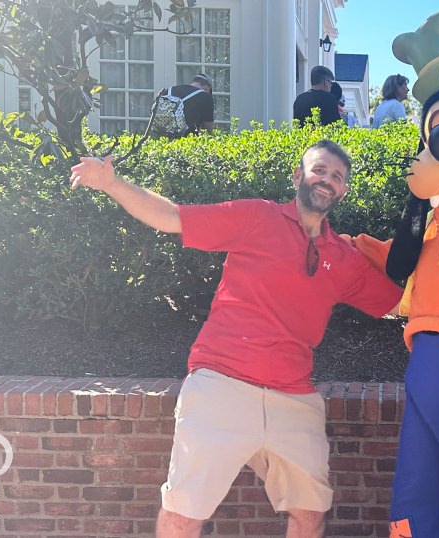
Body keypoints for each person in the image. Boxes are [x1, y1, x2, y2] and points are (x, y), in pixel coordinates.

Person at [68, 139, 403, 538]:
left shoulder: (343, 257)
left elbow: (402, 304)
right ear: (298, 176)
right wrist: (112, 183)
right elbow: (171, 216)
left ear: (343, 190)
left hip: (294, 397)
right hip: (221, 385)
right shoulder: (256, 217)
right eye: (319, 170)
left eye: (336, 176)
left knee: (311, 511)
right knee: (183, 513)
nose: (326, 180)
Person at [150, 73, 216, 136]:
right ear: (208, 88)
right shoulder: (206, 96)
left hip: (161, 139)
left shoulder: (168, 91)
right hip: (186, 141)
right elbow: (208, 130)